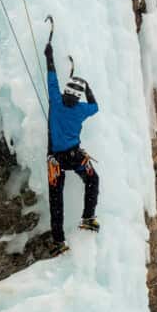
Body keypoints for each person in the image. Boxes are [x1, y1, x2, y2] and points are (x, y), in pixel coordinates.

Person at [45, 42, 100, 256]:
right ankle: (88, 217)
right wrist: (87, 87)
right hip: (75, 157)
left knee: (56, 200)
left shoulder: (56, 101)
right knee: (93, 179)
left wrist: (49, 55)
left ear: (65, 93)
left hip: (56, 161)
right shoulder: (81, 109)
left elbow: (52, 77)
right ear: (77, 97)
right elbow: (95, 106)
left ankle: (59, 242)